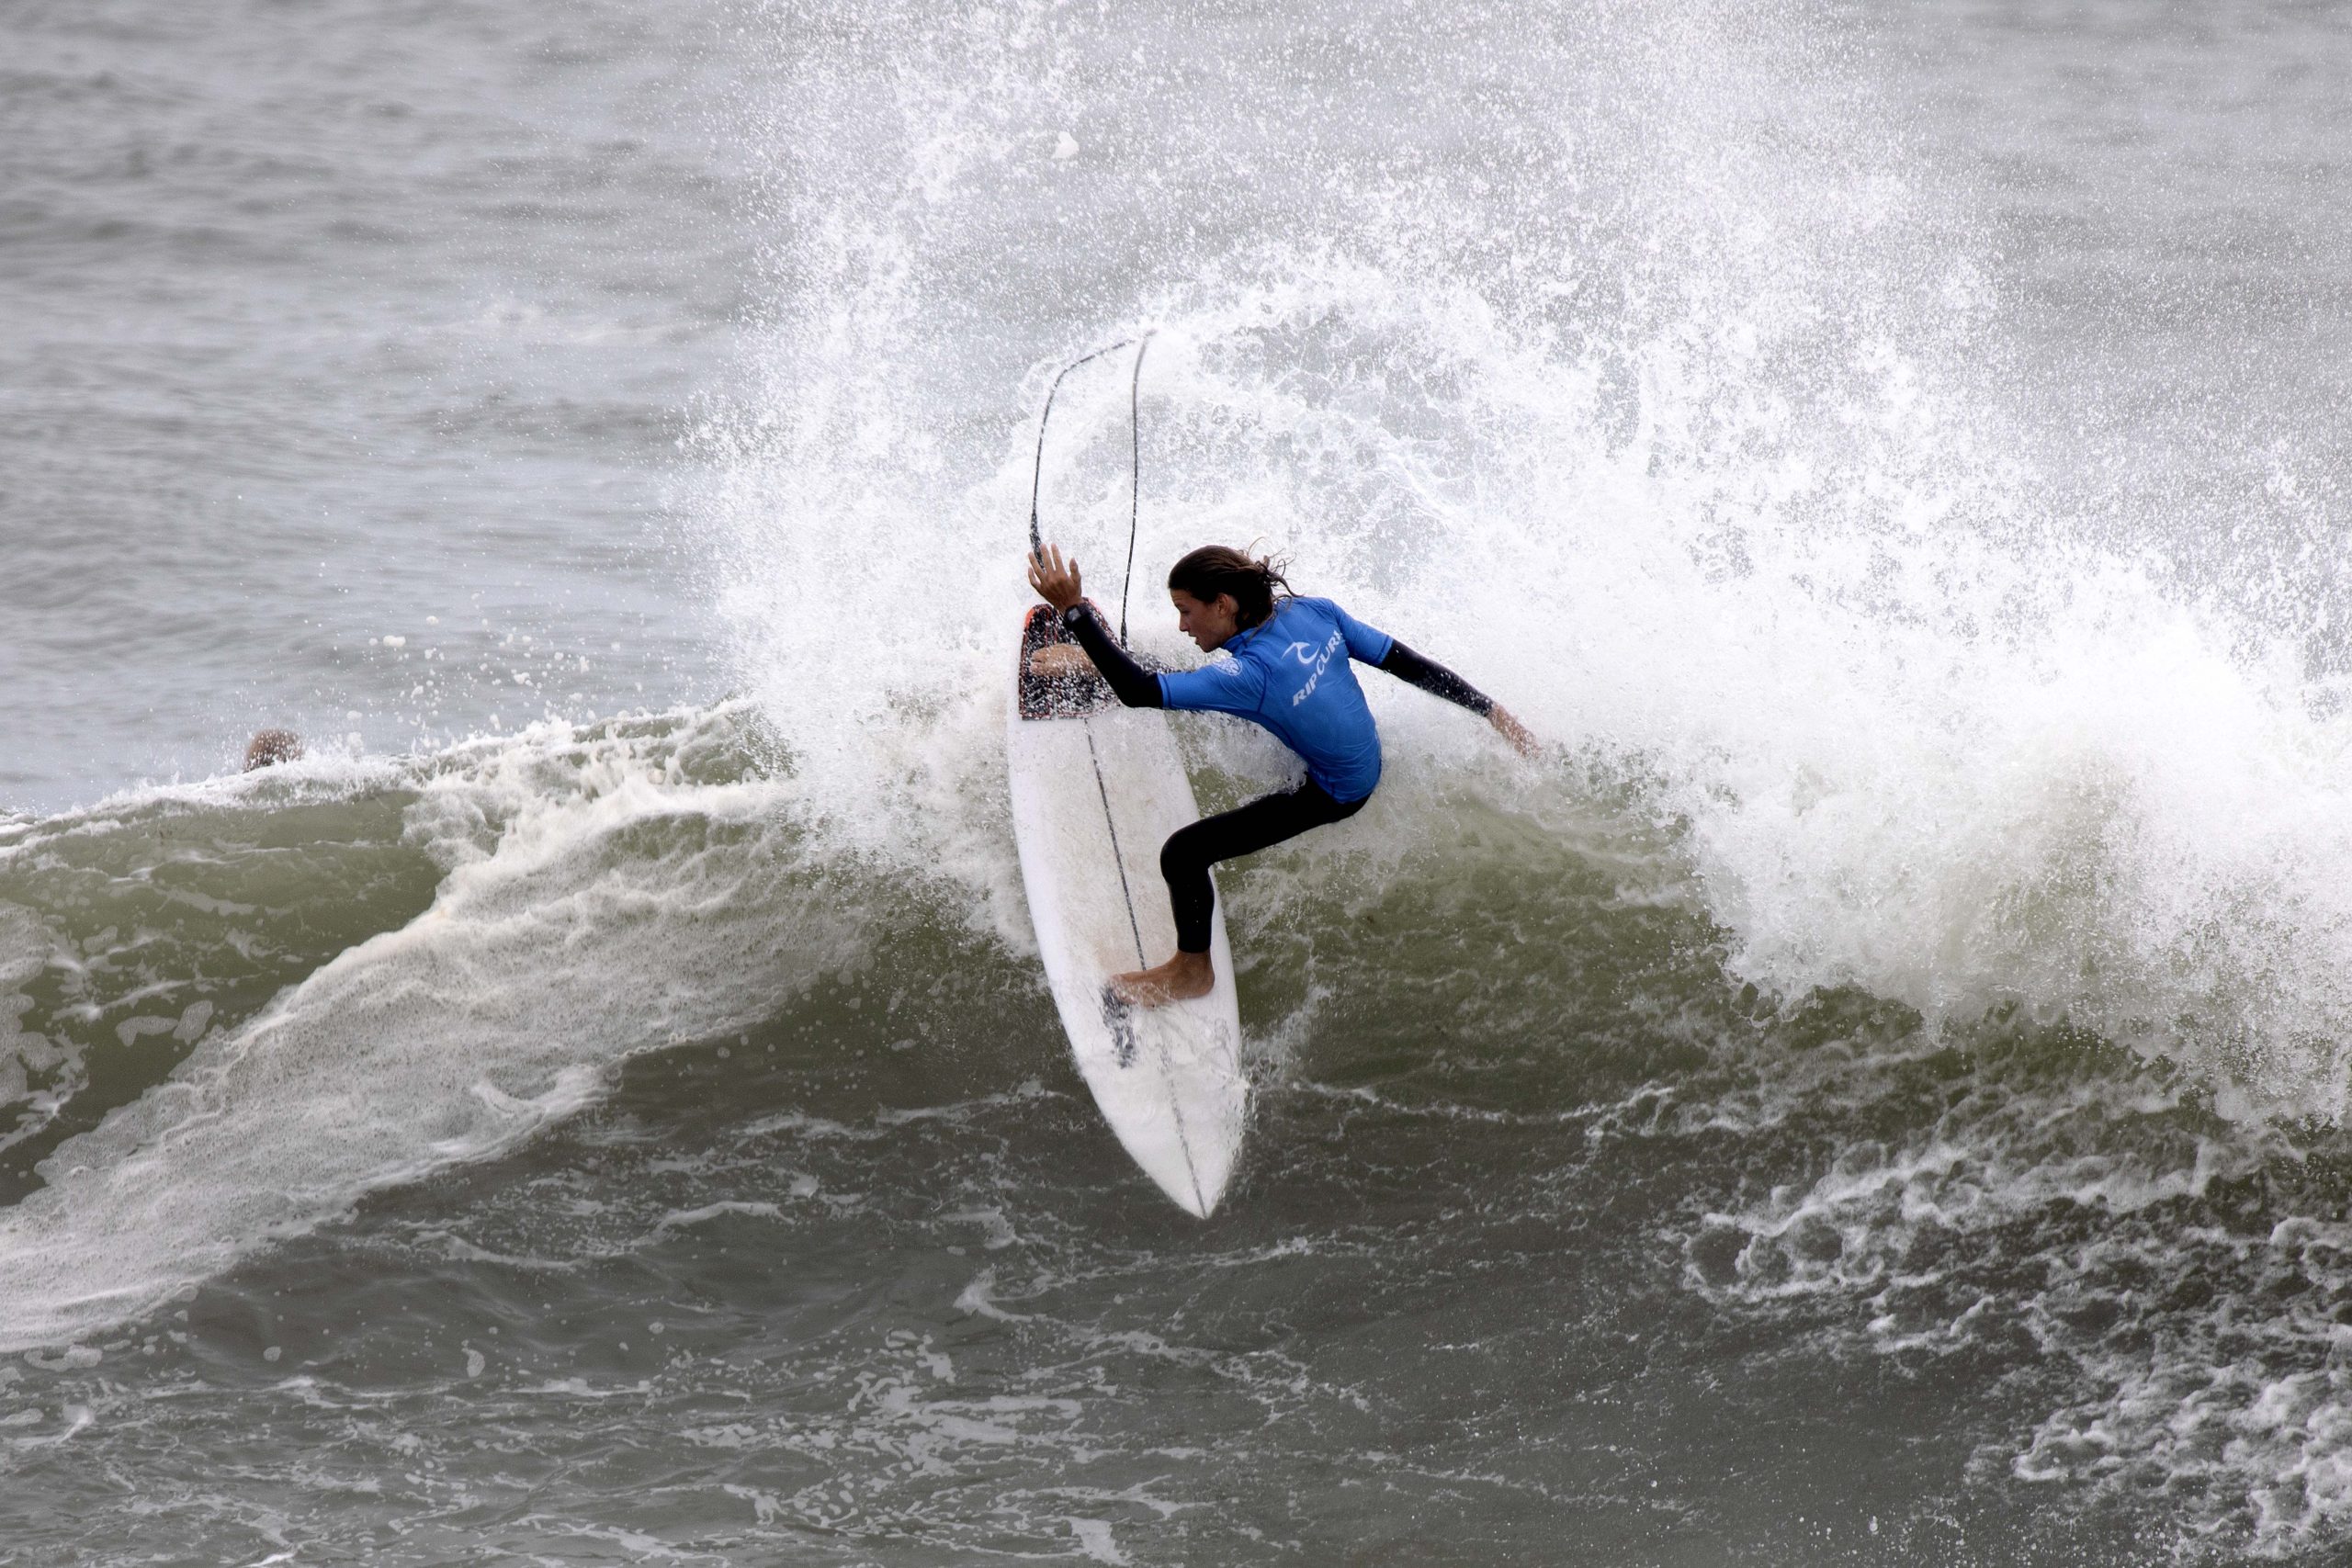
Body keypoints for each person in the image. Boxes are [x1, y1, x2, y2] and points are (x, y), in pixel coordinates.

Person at [1024, 542, 1534, 1007]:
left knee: (1183, 853)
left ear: (1223, 604)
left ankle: (1190, 973)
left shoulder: (1247, 676)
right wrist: (1491, 711)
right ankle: (1099, 668)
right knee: (1201, 689)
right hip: (1356, 749)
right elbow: (1408, 664)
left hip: (1337, 791)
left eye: (1186, 611)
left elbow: (1138, 694)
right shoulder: (1313, 612)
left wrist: (1074, 613)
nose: (1183, 625)